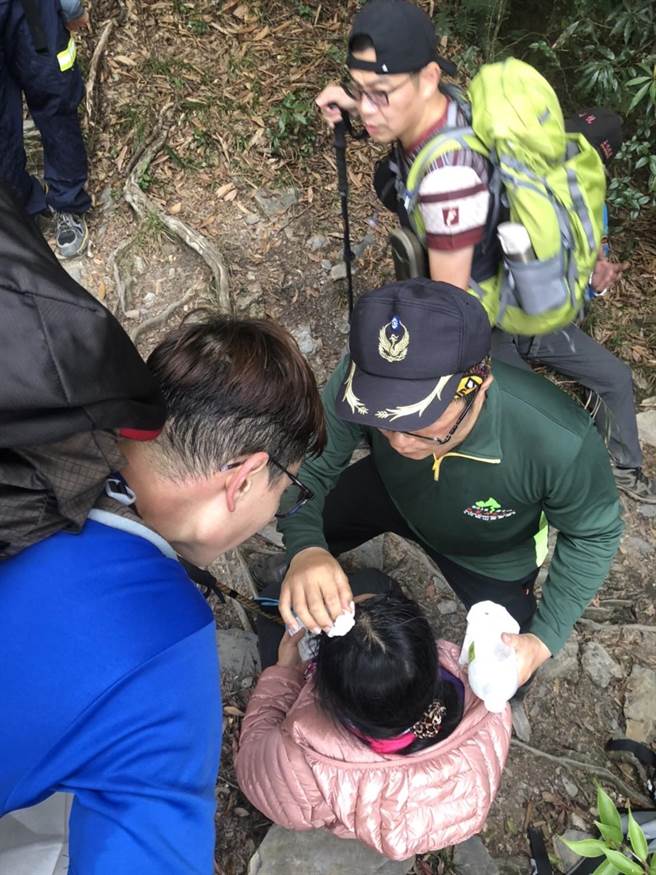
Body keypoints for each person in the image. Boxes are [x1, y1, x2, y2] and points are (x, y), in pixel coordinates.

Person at [0, 316, 325, 873]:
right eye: (286, 489)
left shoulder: (40, 428)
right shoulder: (166, 657)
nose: (277, 511)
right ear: (244, 479)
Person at [315, 0, 654, 502]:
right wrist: (355, 103)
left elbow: (449, 319)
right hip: (507, 288)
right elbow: (397, 118)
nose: (368, 108)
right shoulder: (452, 105)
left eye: (380, 94)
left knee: (512, 420)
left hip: (495, 313)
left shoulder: (450, 180)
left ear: (429, 78)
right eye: (360, 90)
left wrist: (412, 410)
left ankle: (556, 498)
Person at [261, 278, 623, 694]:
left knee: (509, 674)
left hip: (491, 553)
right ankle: (299, 571)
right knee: (312, 526)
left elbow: (594, 534)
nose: (398, 441)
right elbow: (308, 468)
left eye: (421, 422)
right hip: (390, 490)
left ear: (478, 387)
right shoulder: (363, 381)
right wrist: (307, 548)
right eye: (383, 420)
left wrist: (543, 640)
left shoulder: (557, 439)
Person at [236, 568, 511, 860]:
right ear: (428, 656)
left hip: (354, 796)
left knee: (274, 598)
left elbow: (253, 773)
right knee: (376, 583)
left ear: (324, 689)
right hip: (414, 817)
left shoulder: (303, 759)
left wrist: (283, 672)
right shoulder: (486, 698)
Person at [0, 0, 91, 257]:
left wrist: (70, 6)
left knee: (55, 97)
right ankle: (21, 210)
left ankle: (67, 202)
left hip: (31, 9)